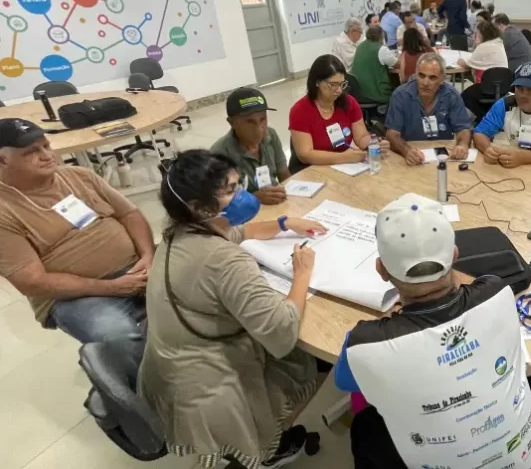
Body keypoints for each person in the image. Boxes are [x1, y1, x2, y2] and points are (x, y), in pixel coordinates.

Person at [335, 193, 531, 469]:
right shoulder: (498, 292)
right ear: (455, 255)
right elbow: (470, 287)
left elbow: (344, 382)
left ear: (381, 269)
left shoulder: (364, 343)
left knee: (366, 426)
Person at [140, 149, 328, 469]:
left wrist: (284, 222)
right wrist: (302, 274)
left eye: (238, 184)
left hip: (169, 369)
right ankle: (267, 447)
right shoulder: (224, 260)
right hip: (211, 389)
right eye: (230, 191)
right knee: (310, 359)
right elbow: (282, 331)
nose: (242, 195)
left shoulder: (180, 232)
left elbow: (238, 232)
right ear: (200, 207)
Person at [0, 119, 153, 369]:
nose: (47, 156)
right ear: (3, 161)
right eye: (32, 152)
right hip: (73, 296)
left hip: (136, 267)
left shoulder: (78, 176)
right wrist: (113, 287)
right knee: (117, 336)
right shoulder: (4, 211)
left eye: (46, 146)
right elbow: (33, 281)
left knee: (201, 290)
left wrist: (149, 256)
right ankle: (139, 393)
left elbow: (130, 214)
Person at [289, 55, 389, 174]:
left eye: (342, 84)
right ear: (317, 82)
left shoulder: (349, 103)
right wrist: (344, 157)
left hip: (342, 168)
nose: (339, 90)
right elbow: (305, 155)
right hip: (310, 170)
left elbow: (361, 137)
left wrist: (373, 143)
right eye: (333, 85)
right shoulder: (300, 110)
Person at [386, 53, 472, 165]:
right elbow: (391, 134)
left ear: (442, 79)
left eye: (432, 77)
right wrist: (406, 151)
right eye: (421, 76)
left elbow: (463, 129)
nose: (425, 83)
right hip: (412, 152)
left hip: (443, 156)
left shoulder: (452, 95)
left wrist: (463, 145)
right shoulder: (400, 95)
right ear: (416, 74)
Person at [211, 87, 290, 206]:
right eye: (250, 122)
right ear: (232, 123)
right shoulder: (219, 154)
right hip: (245, 213)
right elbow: (219, 205)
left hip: (277, 203)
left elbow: (284, 174)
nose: (259, 128)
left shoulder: (271, 135)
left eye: (263, 119)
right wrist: (254, 198)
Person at [350, 25, 398, 104]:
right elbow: (397, 64)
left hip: (360, 94)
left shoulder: (359, 47)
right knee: (399, 91)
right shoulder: (381, 49)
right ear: (381, 36)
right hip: (377, 93)